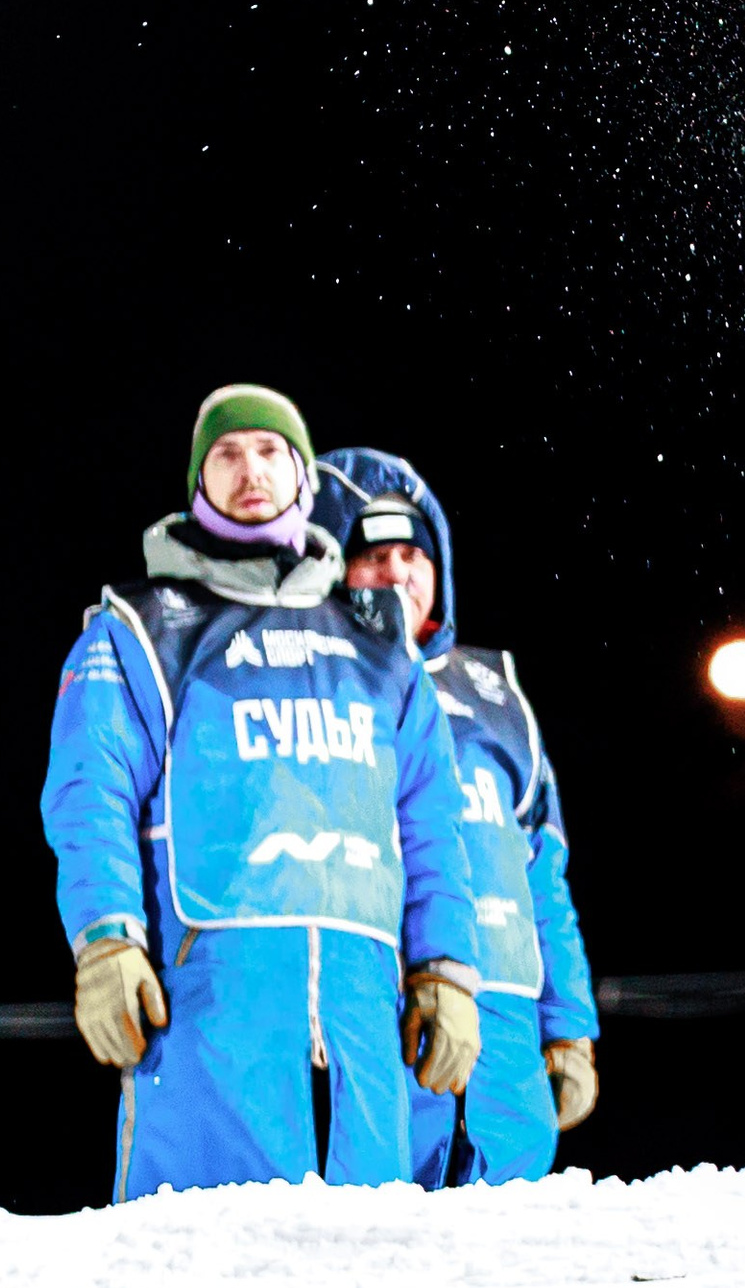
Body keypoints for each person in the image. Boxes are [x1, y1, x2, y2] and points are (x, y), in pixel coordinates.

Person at [40, 381, 483, 1200]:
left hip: (364, 1013)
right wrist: (106, 939)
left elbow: (428, 821)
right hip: (204, 1007)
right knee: (203, 1274)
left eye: (273, 451)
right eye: (228, 453)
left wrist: (447, 967)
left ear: (304, 477)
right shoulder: (141, 626)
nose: (252, 469)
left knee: (373, 1276)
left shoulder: (379, 642)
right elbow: (90, 792)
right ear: (199, 483)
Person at [315, 446, 599, 1185]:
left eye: (412, 553)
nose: (397, 572)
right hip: (388, 1020)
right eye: (372, 555)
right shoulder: (316, 681)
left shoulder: (495, 694)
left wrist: (569, 1029)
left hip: (506, 1031)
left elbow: (546, 874)